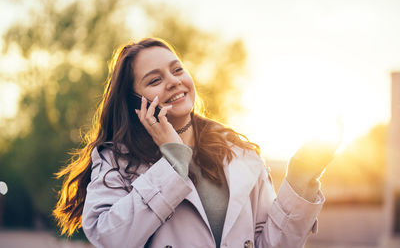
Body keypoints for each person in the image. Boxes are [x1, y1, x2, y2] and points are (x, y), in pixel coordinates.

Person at [53, 37, 342, 248]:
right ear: (135, 103)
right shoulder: (116, 161)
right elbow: (110, 238)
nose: (173, 81)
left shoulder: (239, 154)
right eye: (154, 80)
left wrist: (300, 177)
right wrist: (173, 162)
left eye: (177, 70)